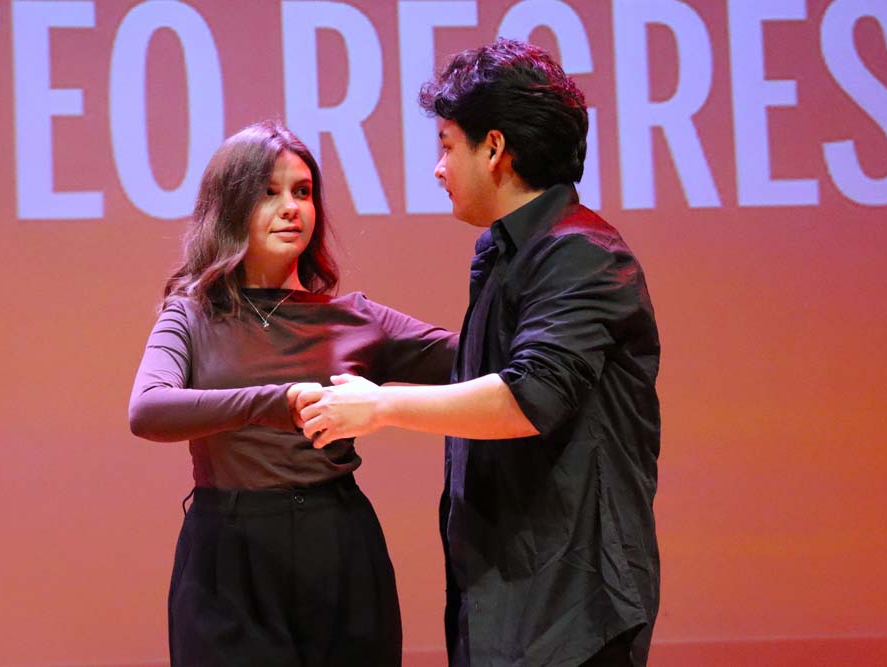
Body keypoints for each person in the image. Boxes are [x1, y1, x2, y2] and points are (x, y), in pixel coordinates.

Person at [298, 39, 661, 667]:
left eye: (446, 146)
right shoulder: (508, 252)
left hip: (574, 610)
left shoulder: (581, 253)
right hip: (507, 598)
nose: (438, 169)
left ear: (494, 148)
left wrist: (382, 407)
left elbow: (529, 397)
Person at [128, 120, 456, 666]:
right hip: (227, 558)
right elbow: (148, 410)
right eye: (269, 193)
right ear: (229, 206)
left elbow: (478, 355)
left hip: (338, 547)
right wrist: (273, 403)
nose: (291, 208)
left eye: (302, 192)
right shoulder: (192, 315)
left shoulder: (356, 318)